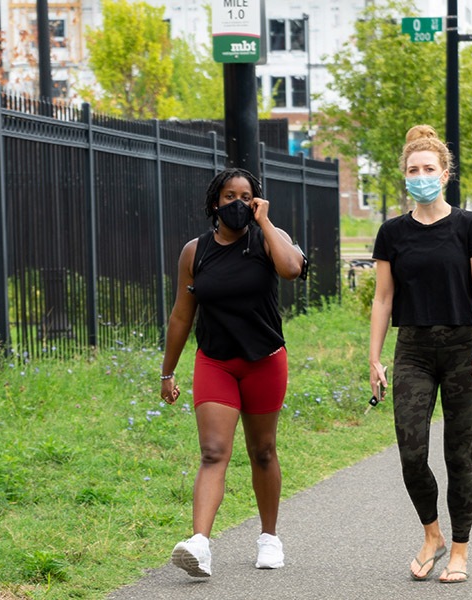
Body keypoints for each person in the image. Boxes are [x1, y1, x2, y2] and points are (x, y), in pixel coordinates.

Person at [159, 168, 306, 578]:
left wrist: (265, 221)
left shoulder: (267, 240)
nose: (237, 203)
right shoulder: (196, 251)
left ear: (257, 202)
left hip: (264, 361)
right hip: (216, 362)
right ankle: (200, 545)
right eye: (229, 196)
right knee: (212, 452)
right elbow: (180, 315)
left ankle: (269, 538)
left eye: (246, 196)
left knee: (262, 451)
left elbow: (292, 268)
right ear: (214, 203)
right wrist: (166, 372)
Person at [369, 125, 472, 584]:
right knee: (411, 452)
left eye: (428, 168)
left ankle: (459, 549)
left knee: (458, 455)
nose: (420, 175)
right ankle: (432, 534)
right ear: (405, 175)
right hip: (414, 350)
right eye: (412, 169)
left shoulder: (469, 225)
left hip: (464, 348)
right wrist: (374, 358)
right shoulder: (392, 233)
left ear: (445, 174)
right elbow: (383, 299)